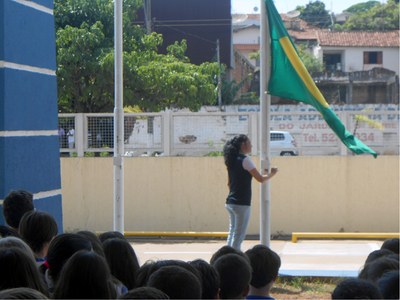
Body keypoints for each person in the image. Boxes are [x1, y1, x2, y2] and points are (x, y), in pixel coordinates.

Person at [223, 135, 278, 250]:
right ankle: (234, 260)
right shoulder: (245, 160)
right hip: (241, 203)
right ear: (243, 145)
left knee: (232, 232)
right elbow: (260, 179)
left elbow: (229, 183)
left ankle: (226, 255)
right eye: (249, 142)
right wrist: (272, 173)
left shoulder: (231, 160)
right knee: (238, 237)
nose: (251, 145)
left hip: (230, 202)